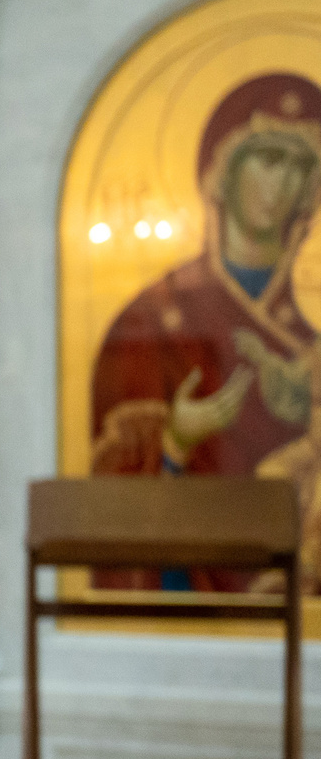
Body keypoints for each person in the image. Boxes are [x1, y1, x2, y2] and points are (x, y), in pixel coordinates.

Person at [89, 73, 320, 592]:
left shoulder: (308, 342)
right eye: (267, 159)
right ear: (223, 171)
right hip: (189, 585)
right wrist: (174, 442)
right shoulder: (151, 318)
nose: (282, 185)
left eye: (301, 165)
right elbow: (103, 506)